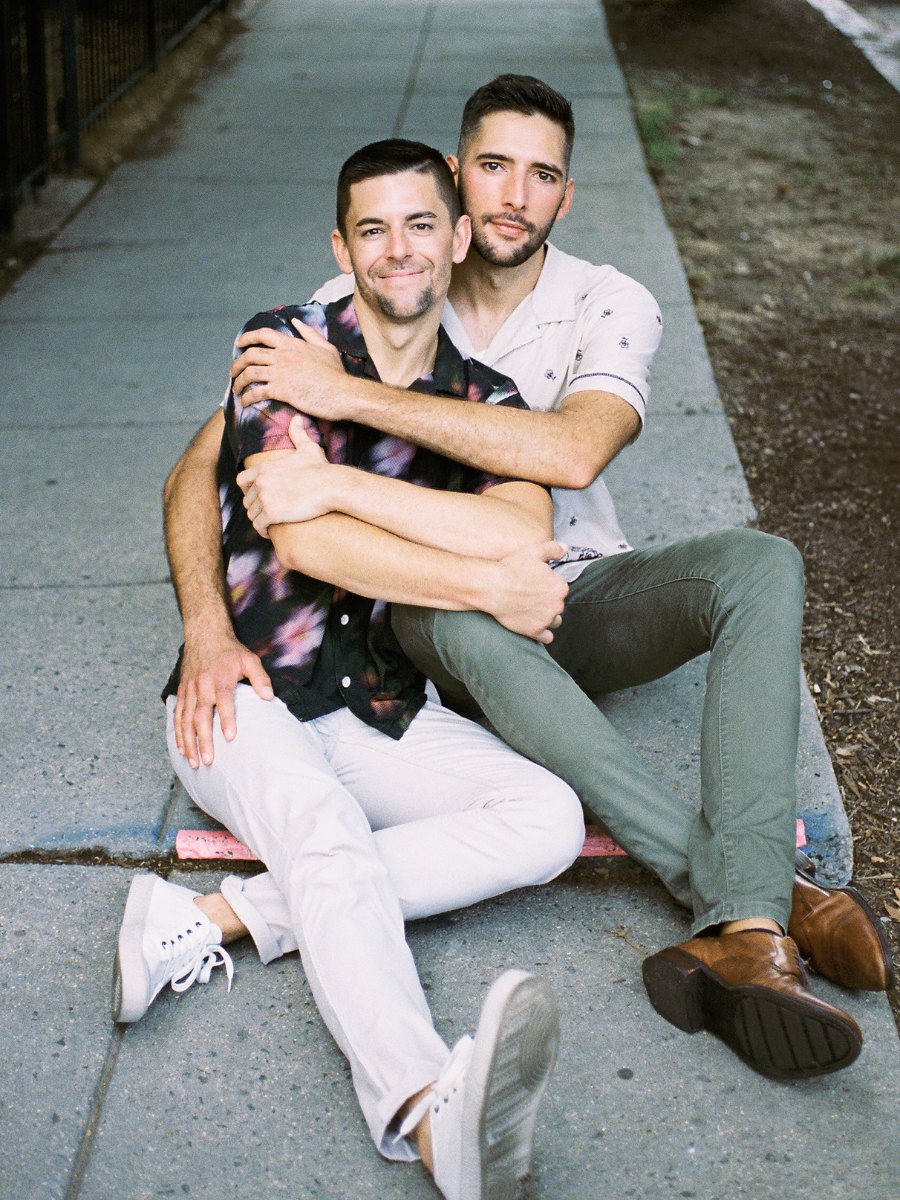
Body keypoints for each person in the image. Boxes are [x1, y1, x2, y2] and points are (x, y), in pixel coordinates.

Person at [163, 77, 893, 1081]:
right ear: (459, 189)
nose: (514, 195)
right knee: (445, 601)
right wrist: (208, 621)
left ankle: (738, 901)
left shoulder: (605, 303)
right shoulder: (365, 290)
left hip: (571, 588)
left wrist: (346, 410)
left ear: (565, 195)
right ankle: (752, 906)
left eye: (541, 174)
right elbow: (197, 471)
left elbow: (572, 454)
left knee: (760, 563)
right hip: (442, 615)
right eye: (493, 168)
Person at [115, 139, 589, 1200]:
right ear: (343, 246)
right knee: (325, 831)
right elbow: (300, 534)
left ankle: (211, 917)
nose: (399, 249)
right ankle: (428, 1113)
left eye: (422, 223)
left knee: (546, 818)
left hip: (380, 699)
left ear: (460, 237)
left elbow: (521, 538)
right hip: (242, 690)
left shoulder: (486, 403)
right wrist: (469, 571)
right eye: (372, 229)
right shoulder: (283, 343)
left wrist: (404, 513)